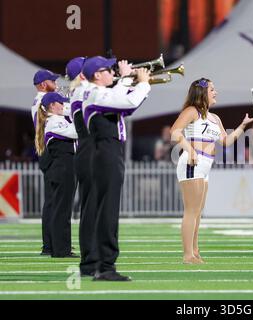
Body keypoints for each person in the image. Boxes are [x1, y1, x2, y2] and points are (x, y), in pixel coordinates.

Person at [170, 78, 253, 264]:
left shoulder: (215, 118)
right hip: (192, 161)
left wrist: (243, 126)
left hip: (205, 165)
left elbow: (225, 141)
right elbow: (175, 132)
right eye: (212, 89)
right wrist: (190, 149)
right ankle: (188, 255)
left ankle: (195, 251)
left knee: (198, 211)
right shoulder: (192, 111)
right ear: (202, 92)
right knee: (191, 211)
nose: (215, 92)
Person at [82, 56, 151, 281]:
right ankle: (106, 267)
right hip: (105, 152)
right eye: (108, 70)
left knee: (106, 210)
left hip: (106, 152)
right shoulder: (95, 93)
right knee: (108, 210)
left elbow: (127, 108)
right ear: (97, 75)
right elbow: (128, 103)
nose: (113, 73)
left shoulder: (103, 94)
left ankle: (103, 264)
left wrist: (131, 83)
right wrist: (141, 82)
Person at [35, 92, 78, 257]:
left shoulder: (54, 120)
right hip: (63, 169)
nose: (63, 105)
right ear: (52, 105)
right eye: (60, 103)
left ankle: (56, 246)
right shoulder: (54, 122)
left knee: (59, 209)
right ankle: (61, 249)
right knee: (63, 211)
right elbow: (76, 131)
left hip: (61, 168)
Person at [66, 57, 99, 276]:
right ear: (81, 75)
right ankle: (90, 260)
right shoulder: (83, 93)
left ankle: (91, 258)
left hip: (86, 154)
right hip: (89, 154)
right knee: (91, 210)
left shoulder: (80, 92)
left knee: (92, 209)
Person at [32, 70, 59, 256]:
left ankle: (53, 242)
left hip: (46, 151)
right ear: (43, 84)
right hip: (50, 152)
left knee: (53, 201)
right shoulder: (43, 101)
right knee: (53, 202)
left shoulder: (41, 100)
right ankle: (50, 244)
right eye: (52, 81)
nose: (56, 84)